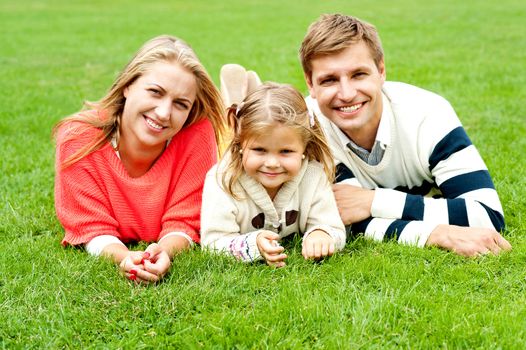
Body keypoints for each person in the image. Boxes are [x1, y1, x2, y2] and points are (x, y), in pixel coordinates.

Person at [299, 14, 511, 256]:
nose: (346, 94)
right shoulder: (309, 128)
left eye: (359, 74)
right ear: (310, 84)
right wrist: (436, 234)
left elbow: (486, 214)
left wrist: (372, 201)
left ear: (381, 71)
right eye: (329, 80)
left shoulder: (428, 114)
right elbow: (346, 219)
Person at [54, 35, 226, 283]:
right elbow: (89, 225)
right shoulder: (78, 137)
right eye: (155, 92)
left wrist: (164, 251)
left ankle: (237, 107)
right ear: (128, 85)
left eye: (181, 104)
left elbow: (185, 220)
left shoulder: (197, 133)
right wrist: (124, 257)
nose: (164, 113)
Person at [200, 83, 346, 267]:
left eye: (285, 151)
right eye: (259, 150)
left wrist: (321, 235)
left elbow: (334, 229)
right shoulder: (222, 179)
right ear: (240, 144)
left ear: (304, 148)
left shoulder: (313, 175)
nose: (272, 163)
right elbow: (212, 243)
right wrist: (253, 244)